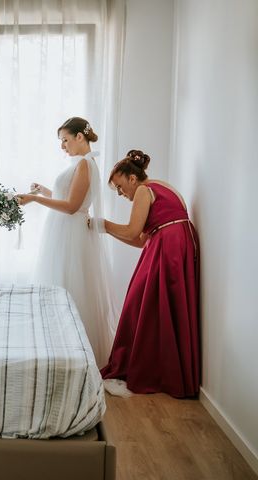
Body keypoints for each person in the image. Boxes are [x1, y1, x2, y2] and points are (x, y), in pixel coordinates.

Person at [93, 149, 200, 398]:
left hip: (168, 243)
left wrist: (103, 224)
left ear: (132, 178)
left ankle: (148, 369)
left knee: (139, 304)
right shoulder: (164, 186)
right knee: (154, 304)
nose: (121, 194)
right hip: (175, 241)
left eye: (120, 187)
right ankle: (166, 369)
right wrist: (107, 230)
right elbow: (141, 240)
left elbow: (132, 232)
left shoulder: (143, 190)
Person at [17, 117, 118, 368]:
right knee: (60, 283)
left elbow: (73, 207)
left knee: (67, 287)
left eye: (65, 140)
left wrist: (34, 199)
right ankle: (57, 350)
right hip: (64, 231)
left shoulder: (85, 164)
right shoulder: (82, 163)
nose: (62, 146)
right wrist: (44, 191)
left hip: (70, 235)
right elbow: (68, 198)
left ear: (79, 137)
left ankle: (71, 354)